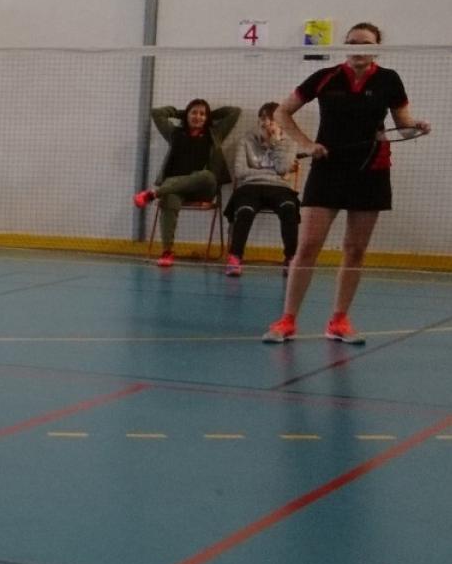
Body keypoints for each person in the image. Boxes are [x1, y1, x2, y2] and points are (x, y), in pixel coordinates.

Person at [263, 22, 429, 344]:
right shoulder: (325, 77)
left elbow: (403, 125)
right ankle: (287, 320)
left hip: (371, 170)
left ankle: (338, 321)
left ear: (377, 48)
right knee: (308, 246)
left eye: (365, 43)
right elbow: (283, 112)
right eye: (352, 42)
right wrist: (307, 144)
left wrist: (416, 128)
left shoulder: (389, 80)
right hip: (328, 168)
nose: (358, 49)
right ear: (345, 45)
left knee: (355, 250)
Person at [133, 99, 238, 267]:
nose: (198, 116)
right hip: (176, 189)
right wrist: (181, 113)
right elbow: (157, 113)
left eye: (202, 114)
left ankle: (154, 193)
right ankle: (167, 252)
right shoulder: (174, 133)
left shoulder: (215, 134)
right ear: (187, 115)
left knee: (206, 175)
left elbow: (234, 112)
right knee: (169, 198)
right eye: (194, 113)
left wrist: (209, 115)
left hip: (204, 188)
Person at [221, 102, 302, 277]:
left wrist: (276, 143)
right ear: (259, 121)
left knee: (289, 208)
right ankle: (235, 258)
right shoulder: (246, 141)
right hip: (250, 187)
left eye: (273, 120)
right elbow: (240, 172)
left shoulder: (289, 143)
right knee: (245, 211)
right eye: (263, 119)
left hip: (279, 188)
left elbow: (282, 168)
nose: (267, 123)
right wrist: (270, 173)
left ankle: (290, 258)